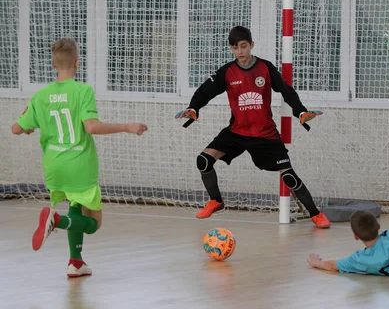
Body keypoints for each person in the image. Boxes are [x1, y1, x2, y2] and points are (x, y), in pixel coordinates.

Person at [11, 38, 148, 277]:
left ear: (53, 64)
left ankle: (76, 262)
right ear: (77, 62)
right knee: (93, 224)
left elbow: (15, 129)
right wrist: (127, 126)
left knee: (75, 205)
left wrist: (28, 126)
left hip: (54, 166)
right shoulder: (82, 91)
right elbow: (92, 127)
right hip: (80, 165)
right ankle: (57, 220)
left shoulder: (41, 96)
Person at [175, 26, 330, 228]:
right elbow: (206, 90)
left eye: (243, 46)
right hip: (237, 132)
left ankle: (316, 214)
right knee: (203, 160)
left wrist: (300, 112)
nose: (240, 51)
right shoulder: (227, 71)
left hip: (265, 134)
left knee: (289, 176)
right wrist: (193, 107)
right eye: (235, 48)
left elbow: (286, 90)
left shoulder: (265, 68)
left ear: (251, 45)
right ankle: (216, 201)